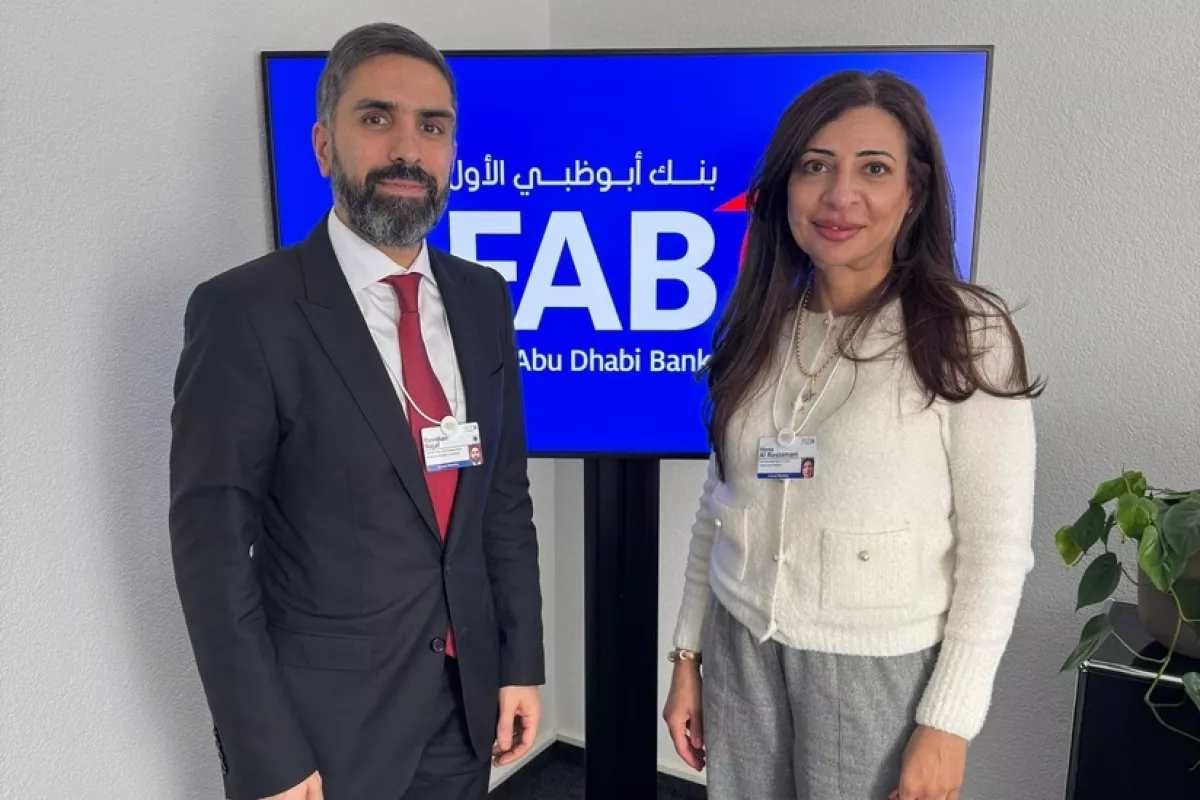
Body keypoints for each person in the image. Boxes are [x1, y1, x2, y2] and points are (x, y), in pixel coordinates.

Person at [168, 22, 544, 800]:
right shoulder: (246, 311)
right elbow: (211, 553)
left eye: (432, 127)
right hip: (321, 731)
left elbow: (503, 500)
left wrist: (519, 663)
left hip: (463, 706)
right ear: (323, 146)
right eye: (377, 118)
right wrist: (264, 750)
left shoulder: (482, 298)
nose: (408, 149)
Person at [662, 70, 1041, 800]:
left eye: (873, 169)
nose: (840, 197)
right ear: (785, 188)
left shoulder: (968, 335)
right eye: (815, 167)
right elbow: (720, 501)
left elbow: (997, 551)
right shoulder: (762, 324)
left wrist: (948, 723)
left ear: (914, 192)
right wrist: (688, 654)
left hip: (876, 671)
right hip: (741, 647)